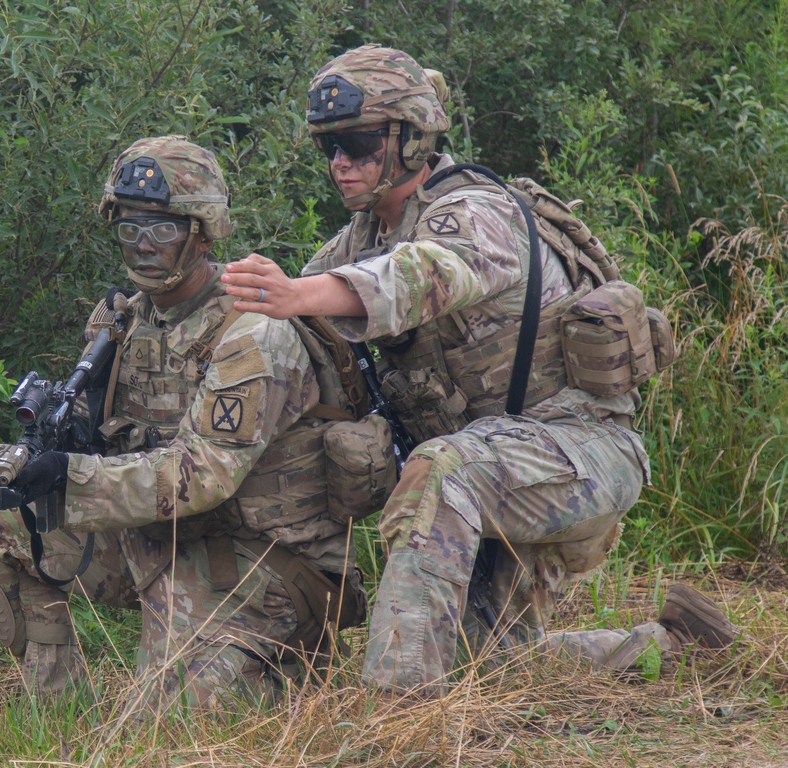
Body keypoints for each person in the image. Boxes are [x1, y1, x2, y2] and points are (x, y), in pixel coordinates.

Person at [221, 45, 740, 696]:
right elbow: (296, 303)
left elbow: (423, 275)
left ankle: (400, 712)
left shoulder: (474, 211)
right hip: (497, 472)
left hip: (578, 453)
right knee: (490, 665)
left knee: (440, 470)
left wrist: (301, 295)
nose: (339, 163)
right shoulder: (366, 235)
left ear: (411, 140)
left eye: (356, 142)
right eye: (327, 147)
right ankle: (673, 645)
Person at [0, 135, 366, 713]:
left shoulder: (252, 331)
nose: (142, 246)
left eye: (161, 229)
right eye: (130, 229)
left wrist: (70, 476)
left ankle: (285, 676)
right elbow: (96, 429)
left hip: (266, 565)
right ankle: (57, 712)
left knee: (160, 733)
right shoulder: (124, 321)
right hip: (171, 544)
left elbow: (204, 473)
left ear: (202, 232)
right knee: (1, 536)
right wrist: (35, 465)